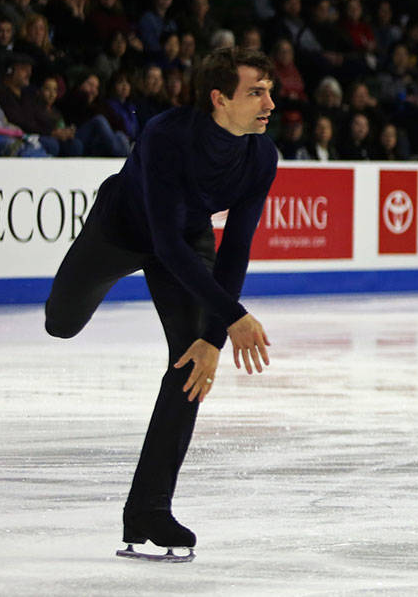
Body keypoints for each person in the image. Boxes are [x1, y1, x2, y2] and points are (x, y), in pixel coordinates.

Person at [44, 47, 278, 560]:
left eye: (270, 90)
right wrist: (234, 316)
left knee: (191, 361)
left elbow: (235, 248)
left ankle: (149, 508)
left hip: (187, 237)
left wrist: (214, 335)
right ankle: (72, 298)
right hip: (120, 229)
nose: (270, 103)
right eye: (256, 92)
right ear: (219, 98)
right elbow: (163, 243)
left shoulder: (261, 155)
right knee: (60, 324)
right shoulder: (169, 134)